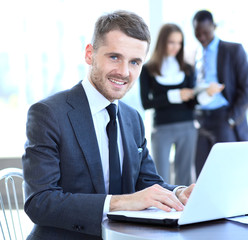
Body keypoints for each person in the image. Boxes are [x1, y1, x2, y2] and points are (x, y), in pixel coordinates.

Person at [22, 10, 195, 240]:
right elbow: (40, 202)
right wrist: (122, 202)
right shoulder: (49, 114)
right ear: (89, 54)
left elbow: (148, 182)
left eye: (134, 62)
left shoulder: (133, 118)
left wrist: (179, 193)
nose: (124, 72)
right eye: (114, 57)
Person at [192, 10, 248, 177]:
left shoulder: (233, 50)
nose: (202, 37)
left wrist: (231, 118)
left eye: (206, 32)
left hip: (224, 119)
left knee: (228, 173)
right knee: (202, 174)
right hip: (201, 120)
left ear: (214, 27)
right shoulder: (196, 55)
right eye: (197, 33)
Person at [139, 23, 197, 185]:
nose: (176, 47)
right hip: (162, 128)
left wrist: (202, 94)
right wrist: (175, 95)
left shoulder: (188, 69)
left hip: (187, 126)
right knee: (160, 175)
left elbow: (193, 103)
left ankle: (184, 209)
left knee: (185, 176)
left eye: (179, 43)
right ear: (162, 42)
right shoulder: (148, 69)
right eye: (172, 42)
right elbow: (146, 103)